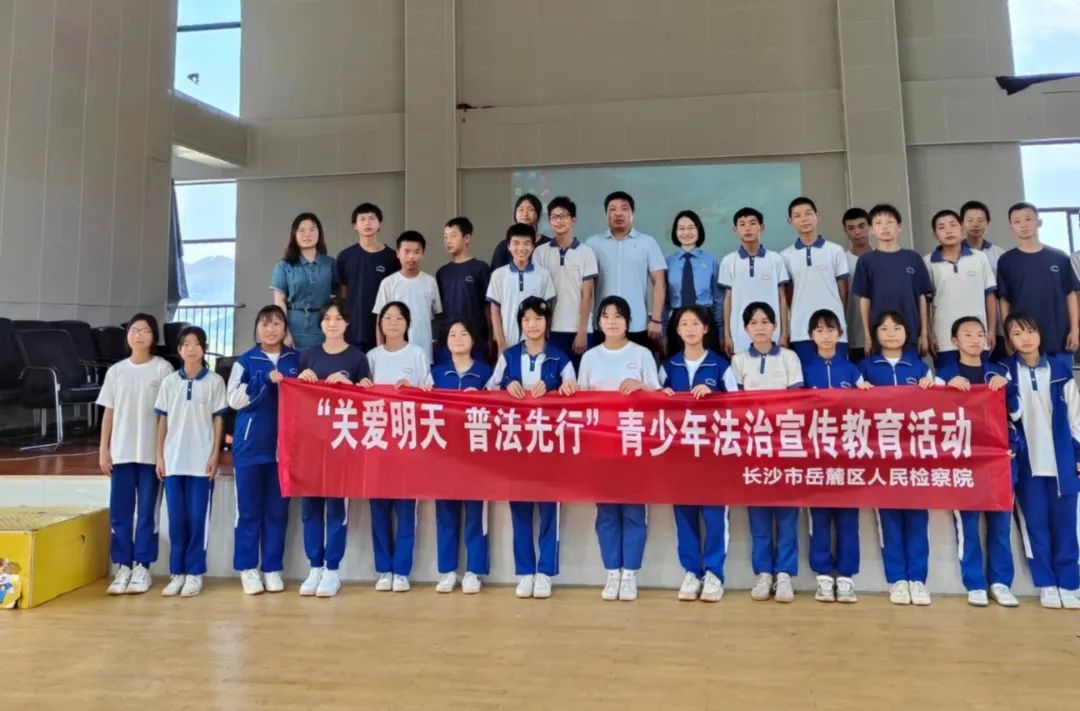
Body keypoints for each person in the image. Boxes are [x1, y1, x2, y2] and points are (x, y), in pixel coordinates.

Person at [489, 298, 577, 599]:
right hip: (516, 446)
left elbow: (573, 393)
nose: (532, 325)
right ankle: (525, 571)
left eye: (538, 319)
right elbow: (488, 392)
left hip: (550, 447)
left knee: (550, 511)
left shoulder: (560, 358)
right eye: (526, 319)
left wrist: (556, 388)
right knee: (520, 511)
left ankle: (546, 572)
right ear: (520, 324)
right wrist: (506, 386)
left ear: (547, 322)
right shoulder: (508, 356)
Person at [578, 295, 660, 601]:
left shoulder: (641, 354)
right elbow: (581, 402)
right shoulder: (590, 357)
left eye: (618, 316)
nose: (611, 321)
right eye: (606, 316)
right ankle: (612, 572)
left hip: (635, 445)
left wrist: (642, 387)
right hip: (601, 448)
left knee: (634, 512)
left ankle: (630, 575)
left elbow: (659, 397)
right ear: (598, 322)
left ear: (628, 321)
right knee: (607, 513)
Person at [935, 316, 1019, 608]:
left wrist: (1007, 388)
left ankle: (1000, 583)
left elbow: (1016, 415)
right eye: (967, 334)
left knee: (1000, 526)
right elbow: (931, 417)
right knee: (968, 526)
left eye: (980, 334)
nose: (975, 339)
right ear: (954, 341)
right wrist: (944, 389)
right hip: (964, 463)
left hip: (998, 462)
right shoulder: (944, 374)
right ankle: (974, 584)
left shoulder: (999, 372)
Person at [1001, 313, 1080, 609]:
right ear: (1009, 340)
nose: (1025, 338)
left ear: (1040, 334)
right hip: (1028, 462)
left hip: (1062, 462)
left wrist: (1077, 455)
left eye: (1030, 331)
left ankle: (1069, 583)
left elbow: (1076, 417)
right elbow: (1006, 416)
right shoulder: (1004, 371)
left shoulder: (1060, 369)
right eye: (1017, 333)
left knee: (1067, 526)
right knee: (1035, 526)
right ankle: (1046, 583)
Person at [295, 296, 371, 598]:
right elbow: (296, 401)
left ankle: (332, 569)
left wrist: (350, 387)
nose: (332, 323)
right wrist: (302, 381)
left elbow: (367, 403)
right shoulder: (307, 357)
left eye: (338, 318)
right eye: (327, 318)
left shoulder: (357, 358)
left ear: (347, 323)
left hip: (342, 445)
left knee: (336, 508)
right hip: (312, 445)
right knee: (310, 509)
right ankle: (314, 566)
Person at [659, 305, 736, 602]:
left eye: (695, 323)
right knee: (685, 515)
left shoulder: (720, 366)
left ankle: (714, 573)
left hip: (714, 455)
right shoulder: (668, 367)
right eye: (684, 324)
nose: (690, 329)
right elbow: (652, 409)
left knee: (715, 515)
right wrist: (661, 396)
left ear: (705, 329)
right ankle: (692, 571)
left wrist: (714, 396)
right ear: (677, 330)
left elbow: (738, 407)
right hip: (679, 455)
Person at [858, 310, 936, 606]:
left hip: (915, 456)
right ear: (875, 334)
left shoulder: (920, 367)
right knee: (888, 519)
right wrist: (861, 392)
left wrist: (932, 388)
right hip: (881, 457)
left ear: (907, 332)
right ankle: (897, 580)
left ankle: (918, 579)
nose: (891, 334)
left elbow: (941, 407)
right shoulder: (865, 368)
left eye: (897, 328)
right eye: (884, 328)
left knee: (918, 518)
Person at [730, 302, 803, 603]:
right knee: (758, 513)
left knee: (787, 513)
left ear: (775, 326)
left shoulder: (789, 357)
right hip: (753, 446)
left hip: (785, 444)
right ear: (745, 328)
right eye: (753, 322)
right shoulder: (737, 361)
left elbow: (798, 400)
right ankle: (763, 573)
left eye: (765, 322)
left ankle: (784, 573)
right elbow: (733, 405)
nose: (760, 327)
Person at [98, 314, 174, 595]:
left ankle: (142, 566)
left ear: (154, 337)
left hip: (150, 456)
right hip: (121, 453)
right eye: (134, 330)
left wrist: (162, 454)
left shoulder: (163, 369)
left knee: (147, 513)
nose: (138, 335)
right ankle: (123, 566)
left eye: (145, 330)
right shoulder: (116, 371)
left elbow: (166, 416)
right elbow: (108, 412)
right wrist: (104, 450)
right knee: (120, 513)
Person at [227, 305, 300, 595]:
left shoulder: (295, 359)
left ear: (285, 329)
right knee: (248, 512)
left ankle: (272, 568)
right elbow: (233, 400)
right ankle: (247, 568)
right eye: (265, 323)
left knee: (277, 512)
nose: (271, 329)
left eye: (277, 323)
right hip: (249, 449)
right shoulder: (246, 361)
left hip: (285, 451)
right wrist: (263, 380)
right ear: (257, 328)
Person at [800, 309, 869, 604]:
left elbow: (867, 407)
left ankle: (846, 577)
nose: (825, 335)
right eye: (819, 330)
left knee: (848, 518)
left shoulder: (852, 370)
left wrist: (866, 392)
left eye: (830, 330)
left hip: (848, 457)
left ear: (840, 334)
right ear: (811, 336)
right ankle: (824, 577)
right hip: (815, 457)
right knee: (819, 517)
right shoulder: (803, 369)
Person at [153, 326, 227, 598]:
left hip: (201, 463)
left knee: (198, 520)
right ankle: (177, 572)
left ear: (204, 349)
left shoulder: (215, 381)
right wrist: (160, 455)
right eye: (186, 344)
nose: (191, 348)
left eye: (197, 344)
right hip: (173, 461)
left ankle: (194, 572)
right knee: (176, 520)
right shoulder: (170, 382)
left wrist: (215, 454)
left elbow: (218, 420)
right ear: (179, 350)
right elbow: (162, 420)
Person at [423, 319, 494, 594]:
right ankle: (447, 571)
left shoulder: (485, 373)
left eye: (464, 333)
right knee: (445, 515)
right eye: (452, 334)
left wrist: (483, 398)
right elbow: (420, 407)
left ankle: (474, 571)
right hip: (445, 456)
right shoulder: (436, 374)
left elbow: (499, 411)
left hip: (477, 456)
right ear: (445, 341)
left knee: (476, 516)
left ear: (473, 340)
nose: (458, 338)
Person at [366, 301, 431, 593]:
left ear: (408, 323)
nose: (393, 323)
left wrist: (413, 390)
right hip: (377, 441)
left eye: (399, 318)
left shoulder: (417, 354)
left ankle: (402, 571)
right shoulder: (372, 356)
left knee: (406, 511)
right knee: (379, 509)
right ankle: (384, 569)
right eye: (388, 318)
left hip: (408, 442)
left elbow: (429, 393)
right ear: (380, 323)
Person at [585, 191, 667, 348]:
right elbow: (585, 287)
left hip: (637, 324)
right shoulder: (593, 243)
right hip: (603, 324)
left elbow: (659, 282)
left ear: (632, 213)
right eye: (612, 209)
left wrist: (656, 319)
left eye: (624, 208)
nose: (618, 213)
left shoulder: (648, 243)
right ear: (606, 215)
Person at [996, 202, 1080, 355]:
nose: (1023, 225)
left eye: (1028, 219)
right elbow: (1004, 300)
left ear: (1039, 222)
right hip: (1023, 341)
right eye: (1017, 221)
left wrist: (1075, 329)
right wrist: (1009, 334)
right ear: (1012, 228)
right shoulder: (1006, 261)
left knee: (1061, 370)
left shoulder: (1059, 257)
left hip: (1059, 337)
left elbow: (1070, 294)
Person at [851, 204, 932, 356]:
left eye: (890, 222)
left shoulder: (913, 258)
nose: (885, 227)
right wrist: (867, 337)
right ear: (871, 230)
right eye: (878, 223)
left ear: (899, 226)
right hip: (879, 336)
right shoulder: (866, 261)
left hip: (911, 334)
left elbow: (922, 298)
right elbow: (865, 300)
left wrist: (924, 334)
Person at [924, 209, 997, 369]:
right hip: (943, 338)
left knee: (979, 381)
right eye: (942, 227)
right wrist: (928, 334)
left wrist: (991, 330)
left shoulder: (979, 257)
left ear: (962, 229)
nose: (948, 230)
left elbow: (990, 296)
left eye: (953, 225)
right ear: (935, 234)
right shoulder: (928, 262)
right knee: (949, 381)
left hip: (978, 338)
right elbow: (925, 303)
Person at [532, 196, 598, 367]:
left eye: (563, 216)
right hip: (551, 330)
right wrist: (542, 328)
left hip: (579, 330)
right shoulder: (540, 253)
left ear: (573, 220)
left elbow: (587, 295)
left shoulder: (586, 253)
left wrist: (582, 331)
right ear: (549, 221)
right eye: (554, 217)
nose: (559, 221)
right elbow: (539, 295)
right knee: (552, 379)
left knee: (581, 379)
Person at [781, 197, 849, 364]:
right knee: (807, 374)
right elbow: (788, 293)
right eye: (797, 216)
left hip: (834, 329)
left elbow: (843, 290)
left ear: (817, 216)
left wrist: (838, 316)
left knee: (837, 373)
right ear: (790, 221)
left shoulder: (835, 250)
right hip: (800, 329)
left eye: (808, 213)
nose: (804, 219)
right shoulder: (785, 256)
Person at [719, 207, 790, 358]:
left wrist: (784, 333)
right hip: (739, 335)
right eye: (742, 224)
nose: (748, 228)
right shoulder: (729, 261)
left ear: (761, 227)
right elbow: (727, 300)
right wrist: (727, 336)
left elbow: (782, 298)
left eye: (752, 223)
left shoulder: (775, 259)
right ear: (735, 230)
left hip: (772, 334)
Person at [270, 212, 339, 351]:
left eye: (312, 229)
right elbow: (279, 303)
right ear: (294, 234)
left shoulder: (330, 263)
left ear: (319, 233)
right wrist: (284, 332)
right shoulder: (283, 265)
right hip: (293, 324)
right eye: (301, 230)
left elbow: (338, 298)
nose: (307, 234)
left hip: (323, 325)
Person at [337, 202, 400, 351]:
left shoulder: (392, 257)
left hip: (384, 330)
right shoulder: (345, 256)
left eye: (372, 218)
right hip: (353, 330)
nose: (367, 223)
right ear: (355, 225)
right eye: (362, 219)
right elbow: (342, 295)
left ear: (380, 224)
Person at [372, 230, 442, 362]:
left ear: (422, 253)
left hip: (424, 352)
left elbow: (437, 315)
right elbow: (379, 321)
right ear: (398, 253)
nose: (411, 257)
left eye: (416, 252)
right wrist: (381, 352)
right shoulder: (388, 283)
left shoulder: (430, 282)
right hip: (394, 352)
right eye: (407, 251)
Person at [486, 222, 556, 354]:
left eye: (526, 243)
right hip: (507, 344)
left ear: (533, 246)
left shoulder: (543, 274)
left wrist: (544, 336)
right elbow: (494, 311)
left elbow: (548, 309)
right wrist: (501, 343)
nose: (521, 248)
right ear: (508, 246)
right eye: (516, 243)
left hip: (536, 343)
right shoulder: (498, 275)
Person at [663, 210, 723, 352]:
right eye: (681, 228)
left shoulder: (710, 260)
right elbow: (664, 301)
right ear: (675, 232)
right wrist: (663, 331)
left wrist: (721, 331)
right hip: (678, 320)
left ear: (698, 230)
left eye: (691, 228)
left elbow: (718, 298)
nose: (686, 232)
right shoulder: (668, 262)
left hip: (705, 319)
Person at [435, 217, 491, 363]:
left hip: (476, 340)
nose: (448, 241)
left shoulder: (480, 268)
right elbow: (438, 310)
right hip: (447, 342)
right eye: (445, 237)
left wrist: (491, 337)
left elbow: (488, 307)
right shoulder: (442, 272)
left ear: (466, 238)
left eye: (453, 236)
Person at [962, 200, 1007, 361]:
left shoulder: (999, 254)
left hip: (996, 326)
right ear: (962, 224)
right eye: (970, 220)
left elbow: (1003, 293)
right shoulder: (954, 253)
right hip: (965, 323)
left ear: (988, 223)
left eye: (980, 220)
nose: (975, 224)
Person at [841, 207, 872, 363]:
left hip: (883, 335)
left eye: (861, 226)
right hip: (853, 336)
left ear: (870, 227)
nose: (857, 232)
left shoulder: (881, 257)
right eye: (851, 228)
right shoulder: (841, 260)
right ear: (845, 231)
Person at [490, 193, 552, 271]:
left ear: (538, 214)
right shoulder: (504, 246)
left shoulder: (549, 244)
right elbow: (496, 274)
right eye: (521, 209)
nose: (525, 213)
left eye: (530, 209)